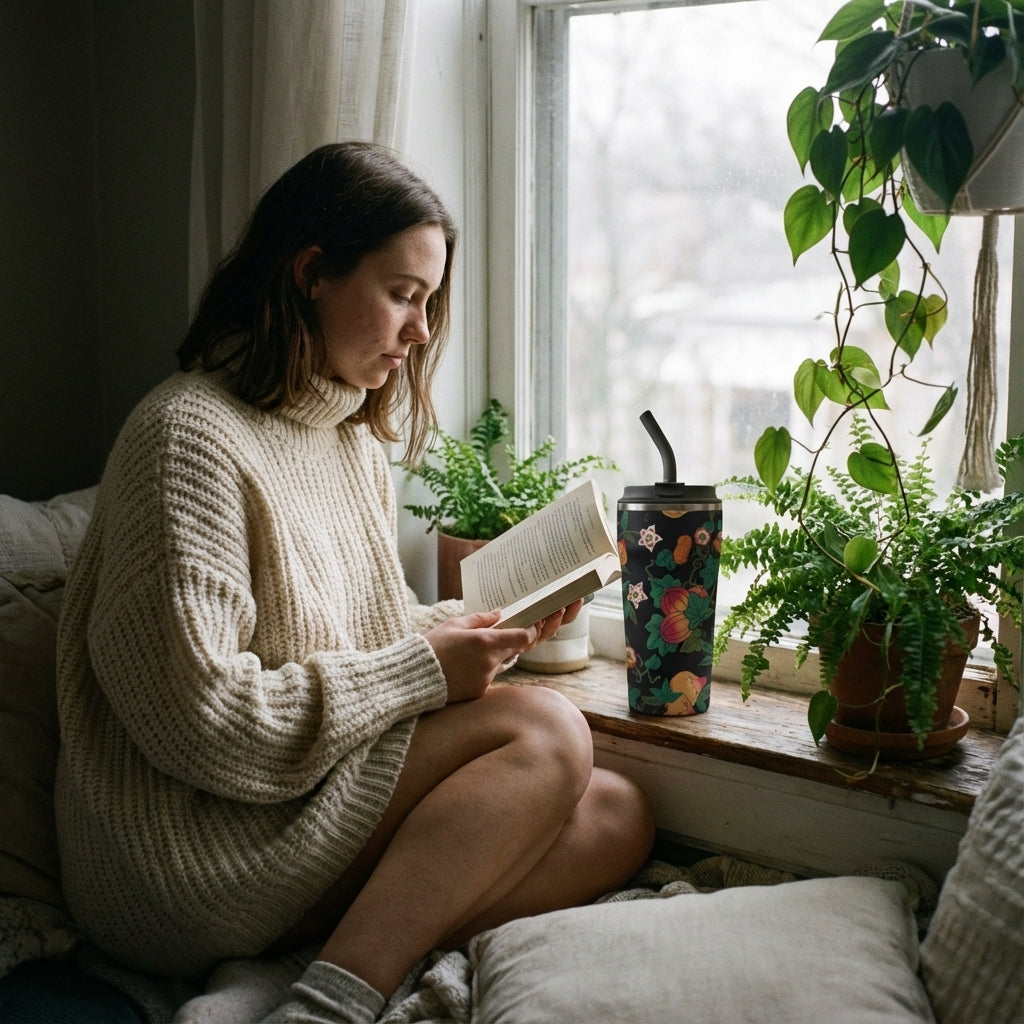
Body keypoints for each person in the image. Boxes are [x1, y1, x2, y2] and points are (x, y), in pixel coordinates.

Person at [55, 142, 654, 1023]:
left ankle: (301, 964)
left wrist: (492, 623)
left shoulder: (348, 440)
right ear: (311, 274)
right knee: (547, 730)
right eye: (404, 294)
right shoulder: (185, 438)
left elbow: (364, 632)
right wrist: (426, 671)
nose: (421, 332)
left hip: (298, 797)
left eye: (429, 302)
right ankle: (331, 1004)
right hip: (190, 846)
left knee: (617, 812)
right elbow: (203, 724)